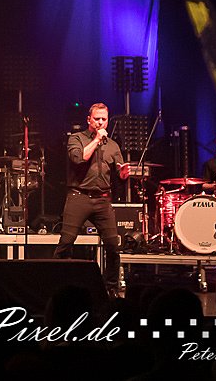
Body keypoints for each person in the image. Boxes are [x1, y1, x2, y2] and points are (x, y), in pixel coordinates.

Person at [53, 102, 130, 297]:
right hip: (79, 196)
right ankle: (58, 284)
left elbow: (119, 172)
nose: (101, 122)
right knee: (66, 242)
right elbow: (79, 158)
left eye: (104, 119)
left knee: (113, 246)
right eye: (97, 119)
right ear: (89, 119)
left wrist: (123, 174)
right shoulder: (76, 138)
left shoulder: (113, 145)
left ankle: (111, 288)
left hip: (102, 200)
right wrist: (96, 139)